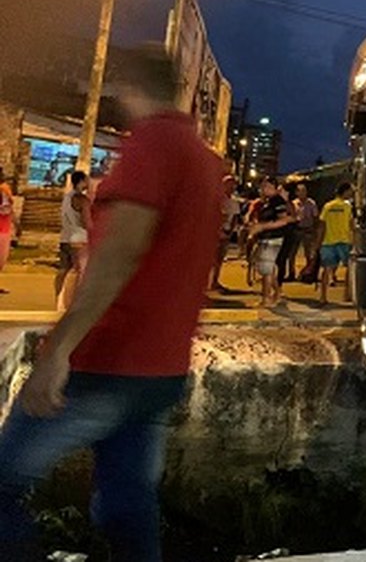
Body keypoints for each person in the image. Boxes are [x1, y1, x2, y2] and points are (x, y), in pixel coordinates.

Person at [0, 46, 223, 560]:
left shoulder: (151, 147)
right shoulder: (204, 161)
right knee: (126, 505)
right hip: (161, 370)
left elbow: (119, 255)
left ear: (127, 90)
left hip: (107, 362)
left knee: (4, 483)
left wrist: (58, 352)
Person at [249, 176, 292, 307]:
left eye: (266, 186)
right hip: (265, 238)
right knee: (267, 269)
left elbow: (283, 220)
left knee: (266, 269)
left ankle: (266, 298)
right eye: (262, 186)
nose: (263, 189)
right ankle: (277, 293)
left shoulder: (277, 201)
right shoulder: (268, 201)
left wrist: (263, 226)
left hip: (273, 239)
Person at [55, 170, 93, 310]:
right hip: (79, 238)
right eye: (87, 180)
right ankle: (71, 303)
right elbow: (87, 221)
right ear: (82, 182)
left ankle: (58, 300)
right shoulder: (82, 200)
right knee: (78, 271)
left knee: (63, 269)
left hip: (65, 236)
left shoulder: (66, 197)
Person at [318, 182, 354, 305]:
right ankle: (347, 295)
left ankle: (323, 297)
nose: (351, 193)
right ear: (345, 191)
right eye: (350, 191)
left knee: (326, 270)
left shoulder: (328, 206)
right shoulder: (347, 206)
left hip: (328, 241)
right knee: (349, 269)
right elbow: (351, 224)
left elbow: (321, 225)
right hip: (344, 241)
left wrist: (318, 242)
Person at [211, 175, 240, 292]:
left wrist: (230, 232)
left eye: (233, 185)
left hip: (226, 233)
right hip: (214, 233)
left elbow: (234, 219)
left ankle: (214, 281)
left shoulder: (233, 202)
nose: (231, 187)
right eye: (229, 184)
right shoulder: (217, 199)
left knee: (219, 259)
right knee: (211, 259)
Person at [275, 183, 300, 285]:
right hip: (278, 233)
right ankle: (277, 282)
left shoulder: (289, 204)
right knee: (278, 259)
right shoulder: (278, 202)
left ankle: (279, 282)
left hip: (286, 234)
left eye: (281, 190)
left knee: (281, 258)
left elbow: (292, 217)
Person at [293, 183, 318, 280]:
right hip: (297, 230)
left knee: (308, 253)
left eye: (304, 190)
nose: (303, 193)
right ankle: (292, 273)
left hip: (308, 229)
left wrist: (313, 230)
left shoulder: (311, 203)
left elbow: (315, 217)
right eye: (301, 191)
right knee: (292, 253)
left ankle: (308, 273)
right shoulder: (294, 204)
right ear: (296, 193)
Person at [0, 167, 14, 294]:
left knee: (2, 259)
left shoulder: (4, 189)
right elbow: (6, 209)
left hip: (4, 227)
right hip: (1, 229)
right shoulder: (3, 189)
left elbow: (9, 209)